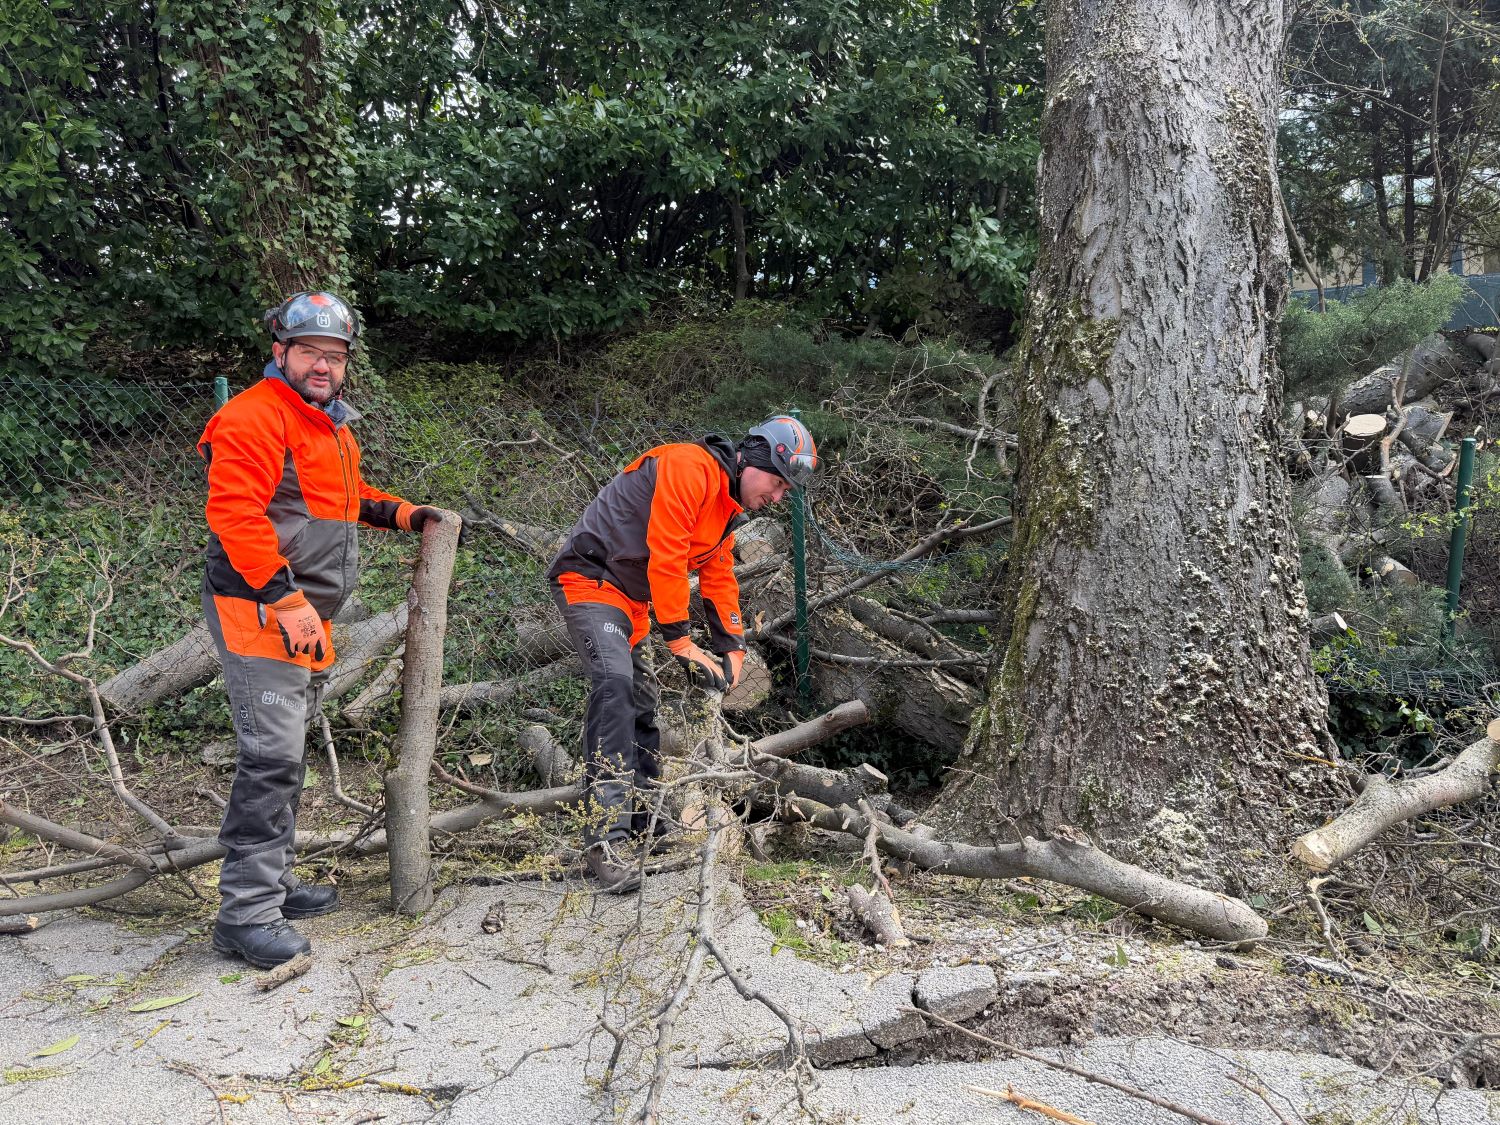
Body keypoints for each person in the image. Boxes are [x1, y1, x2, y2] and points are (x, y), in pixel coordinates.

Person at [200, 291, 452, 968]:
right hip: (260, 611)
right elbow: (236, 517)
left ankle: (273, 884)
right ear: (279, 351)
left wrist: (404, 513)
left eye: (334, 356)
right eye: (310, 351)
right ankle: (244, 915)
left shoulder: (328, 427)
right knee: (272, 758)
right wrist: (286, 600)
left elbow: (345, 502)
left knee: (288, 752)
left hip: (303, 614)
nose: (323, 365)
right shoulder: (252, 417)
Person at [547, 415, 819, 892]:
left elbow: (718, 578)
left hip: (629, 600)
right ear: (754, 459)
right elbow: (667, 552)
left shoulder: (725, 512)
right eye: (777, 483)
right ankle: (603, 840)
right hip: (589, 580)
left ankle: (647, 820)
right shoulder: (687, 466)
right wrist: (679, 638)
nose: (778, 497)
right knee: (614, 686)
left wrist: (731, 645)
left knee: (643, 703)